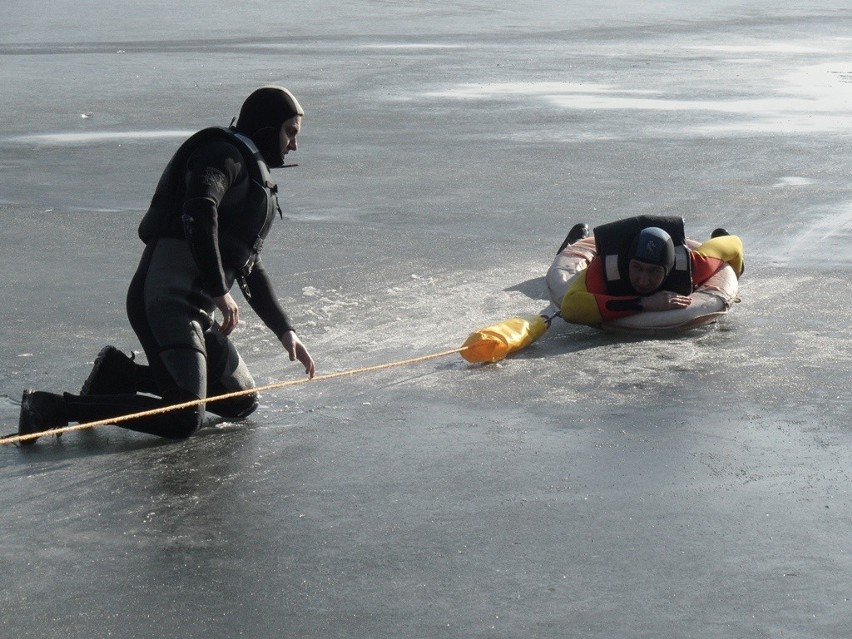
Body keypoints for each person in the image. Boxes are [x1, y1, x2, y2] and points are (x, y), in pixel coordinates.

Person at [17, 86, 316, 445]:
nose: (293, 145)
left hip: (197, 312)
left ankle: (119, 375)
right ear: (268, 128)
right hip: (164, 301)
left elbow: (249, 265)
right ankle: (51, 407)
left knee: (240, 400)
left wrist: (286, 331)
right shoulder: (222, 156)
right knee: (184, 417)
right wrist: (220, 291)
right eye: (290, 132)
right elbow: (199, 211)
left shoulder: (253, 175)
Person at [557, 215, 744, 327]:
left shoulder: (690, 267)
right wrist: (643, 303)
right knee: (571, 268)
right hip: (613, 255)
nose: (643, 280)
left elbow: (734, 244)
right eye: (637, 268)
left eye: (654, 272)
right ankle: (577, 241)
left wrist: (735, 274)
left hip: (678, 256)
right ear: (628, 262)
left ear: (668, 271)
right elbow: (570, 307)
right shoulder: (609, 267)